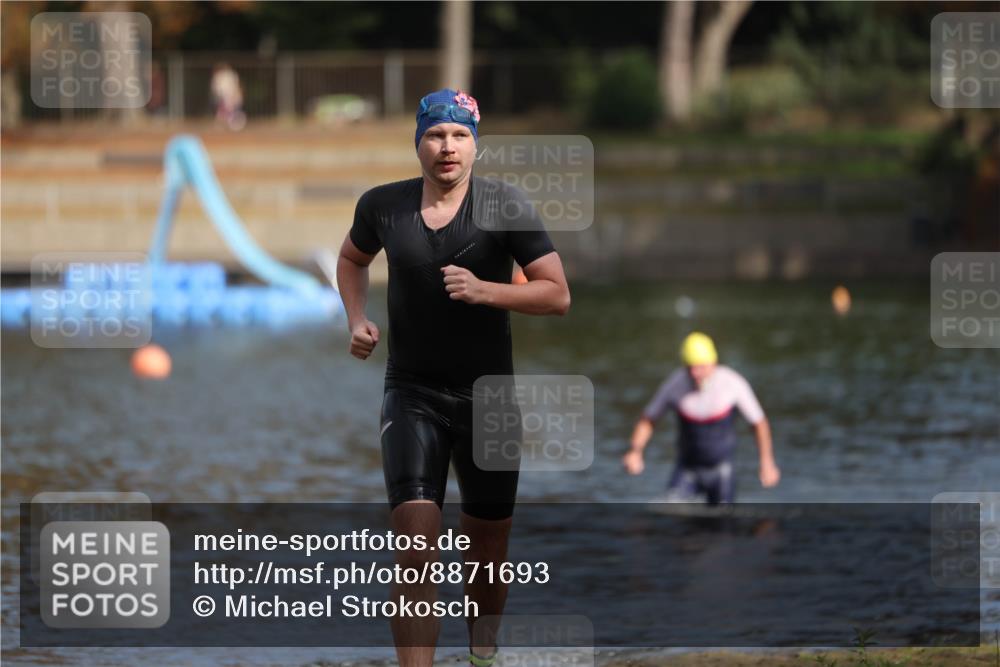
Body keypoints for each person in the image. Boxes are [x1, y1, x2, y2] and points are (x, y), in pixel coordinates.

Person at [336, 88, 570, 667]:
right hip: (411, 393)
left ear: (475, 146)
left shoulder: (505, 207)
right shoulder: (382, 207)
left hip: (489, 402)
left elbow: (557, 294)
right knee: (414, 548)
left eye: (460, 136)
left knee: (488, 556)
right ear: (418, 142)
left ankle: (481, 658)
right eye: (436, 135)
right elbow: (351, 259)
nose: (448, 147)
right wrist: (358, 318)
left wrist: (486, 290)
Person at [622, 332, 780, 503]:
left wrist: (767, 462)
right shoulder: (675, 384)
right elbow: (648, 420)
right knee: (670, 512)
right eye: (690, 367)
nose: (696, 373)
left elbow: (759, 424)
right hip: (687, 469)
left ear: (713, 362)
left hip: (721, 470)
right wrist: (635, 451)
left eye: (701, 367)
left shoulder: (732, 383)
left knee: (722, 525)